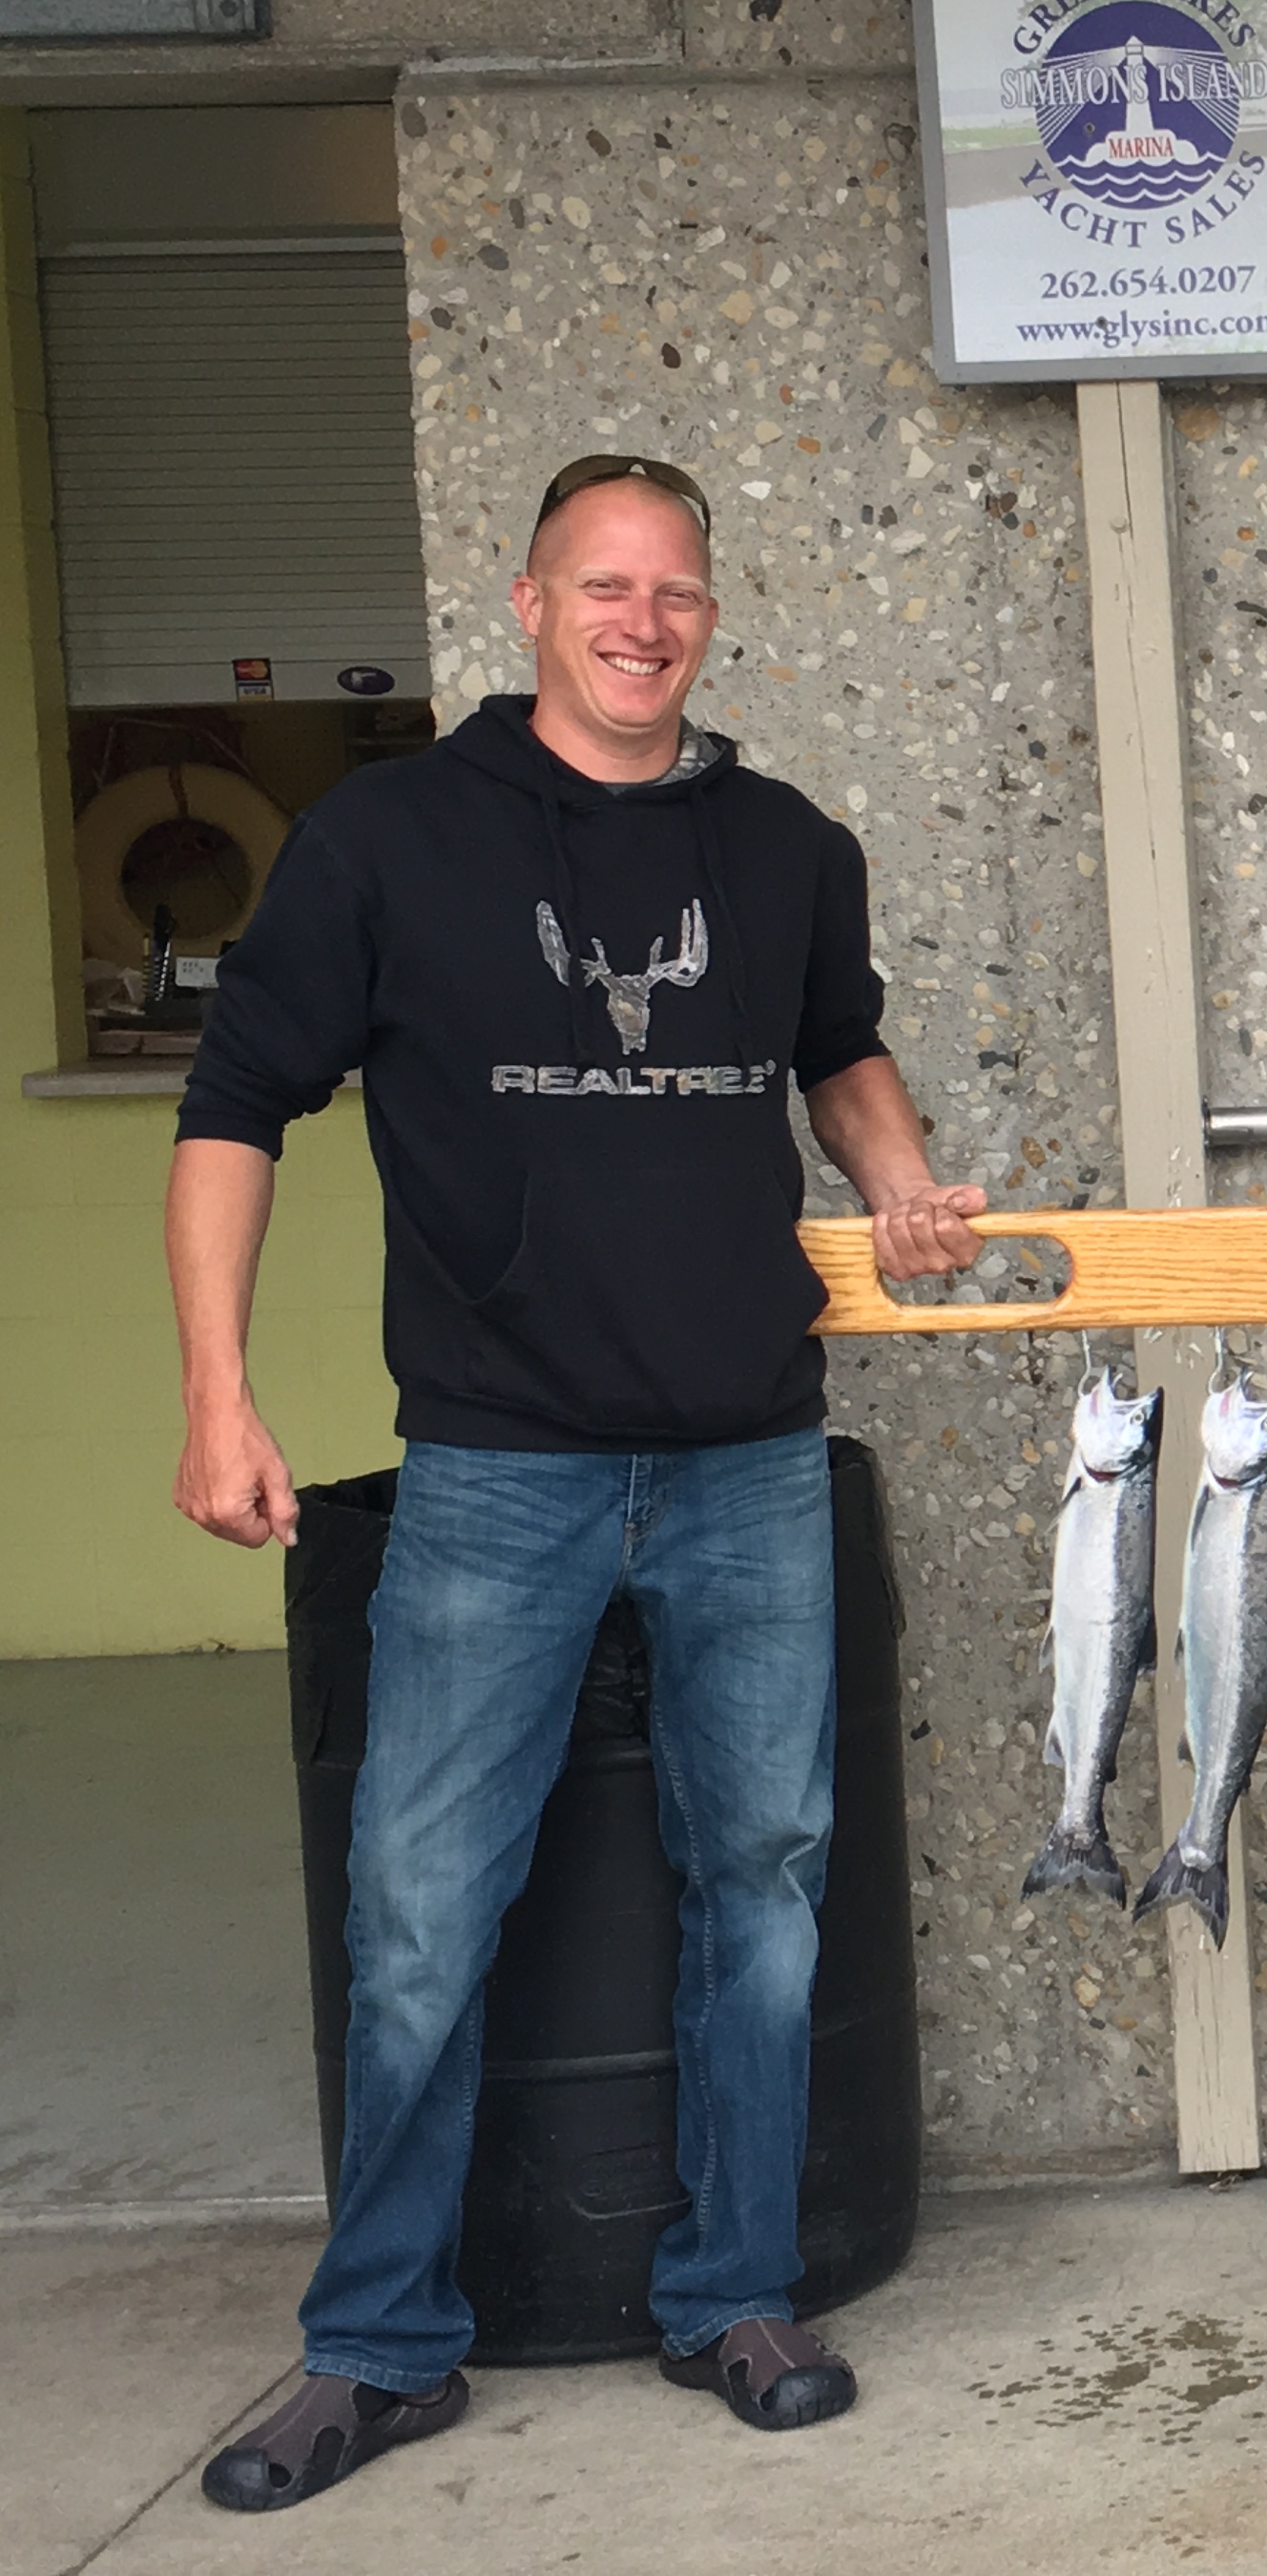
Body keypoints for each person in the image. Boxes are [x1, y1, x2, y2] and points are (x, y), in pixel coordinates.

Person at [165, 454, 987, 2509]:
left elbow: (838, 1044)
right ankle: (378, 2348)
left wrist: (890, 1168)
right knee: (424, 1913)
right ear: (528, 605)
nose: (644, 621)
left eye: (678, 590)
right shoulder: (390, 842)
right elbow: (235, 1101)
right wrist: (215, 1391)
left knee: (767, 1887)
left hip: (746, 1465)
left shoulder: (791, 847)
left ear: (712, 615)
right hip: (496, 1472)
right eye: (604, 587)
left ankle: (731, 2294)